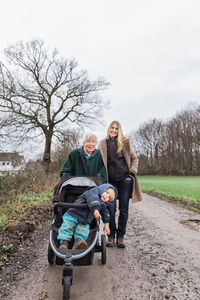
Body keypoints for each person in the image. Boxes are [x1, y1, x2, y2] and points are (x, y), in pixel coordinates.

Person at [98, 120, 142, 248]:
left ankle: (121, 237)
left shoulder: (125, 142)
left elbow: (134, 158)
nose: (114, 130)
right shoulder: (103, 144)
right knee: (110, 209)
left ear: (119, 130)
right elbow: (99, 162)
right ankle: (111, 235)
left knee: (123, 209)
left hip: (124, 180)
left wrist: (131, 173)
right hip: (110, 182)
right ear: (109, 129)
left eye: (117, 128)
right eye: (112, 128)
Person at [57, 183, 117, 250]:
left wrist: (106, 224)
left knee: (83, 230)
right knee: (67, 227)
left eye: (109, 198)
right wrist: (95, 209)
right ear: (102, 189)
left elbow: (105, 213)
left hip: (84, 220)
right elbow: (92, 198)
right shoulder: (93, 191)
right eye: (106, 193)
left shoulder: (102, 204)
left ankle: (78, 242)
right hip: (73, 214)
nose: (106, 196)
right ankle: (64, 243)